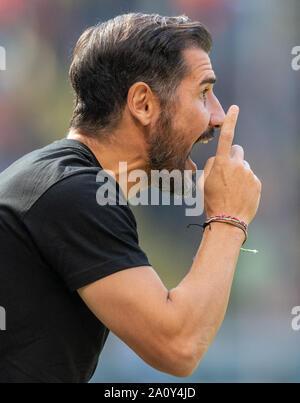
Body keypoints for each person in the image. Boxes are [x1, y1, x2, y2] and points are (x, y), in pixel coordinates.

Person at [0, 13, 261, 383]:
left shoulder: (66, 184)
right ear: (142, 103)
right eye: (203, 92)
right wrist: (229, 218)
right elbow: (178, 346)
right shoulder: (73, 193)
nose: (217, 116)